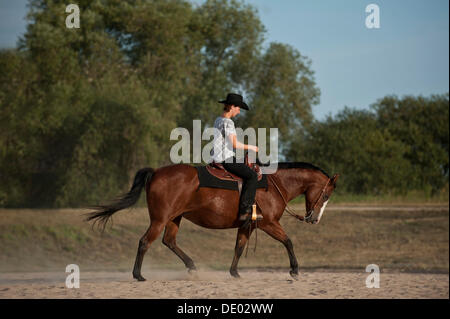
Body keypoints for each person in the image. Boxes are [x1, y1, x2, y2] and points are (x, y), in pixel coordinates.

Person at [210, 93, 262, 221]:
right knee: (252, 176)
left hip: (215, 157)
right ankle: (245, 211)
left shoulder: (218, 120)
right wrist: (252, 147)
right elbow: (234, 144)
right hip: (225, 158)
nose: (239, 112)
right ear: (232, 106)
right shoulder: (228, 123)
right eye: (238, 109)